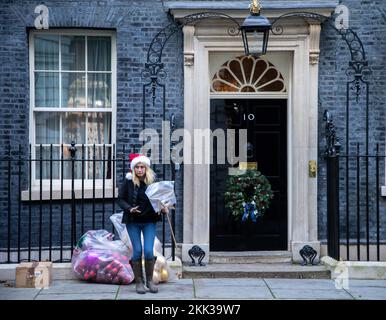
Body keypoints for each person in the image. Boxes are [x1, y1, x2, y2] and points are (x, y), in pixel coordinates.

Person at [117, 153, 169, 294]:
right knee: (137, 251)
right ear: (133, 169)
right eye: (137, 167)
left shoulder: (153, 183)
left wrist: (164, 208)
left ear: (146, 168)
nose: (140, 170)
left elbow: (161, 199)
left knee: (148, 250)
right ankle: (139, 283)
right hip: (133, 221)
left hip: (149, 221)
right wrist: (129, 208)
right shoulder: (128, 182)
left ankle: (150, 281)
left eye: (142, 167)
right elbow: (120, 199)